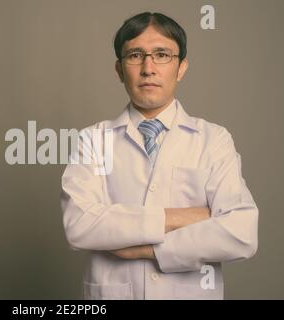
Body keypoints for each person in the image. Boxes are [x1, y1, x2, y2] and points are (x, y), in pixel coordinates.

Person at [60, 12, 258, 300]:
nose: (148, 68)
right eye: (135, 55)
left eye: (162, 54)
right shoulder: (93, 139)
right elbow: (79, 226)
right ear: (119, 69)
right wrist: (184, 217)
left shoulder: (214, 139)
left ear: (181, 67)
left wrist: (150, 249)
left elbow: (242, 234)